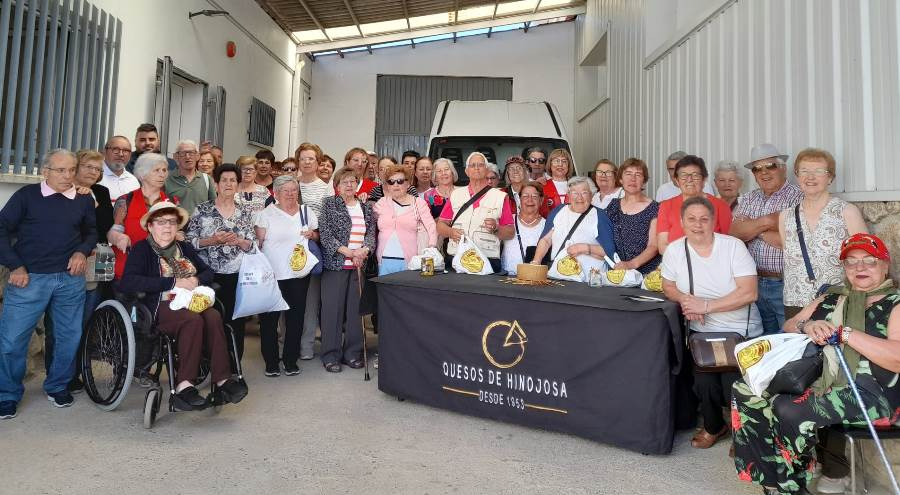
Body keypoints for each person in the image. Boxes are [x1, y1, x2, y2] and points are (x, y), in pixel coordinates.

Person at [733, 233, 900, 495]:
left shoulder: (894, 304)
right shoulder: (831, 297)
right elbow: (790, 325)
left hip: (871, 391)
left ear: (885, 265)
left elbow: (897, 358)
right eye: (851, 261)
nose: (860, 267)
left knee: (788, 408)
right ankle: (770, 480)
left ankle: (792, 486)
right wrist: (808, 325)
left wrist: (846, 334)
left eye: (869, 260)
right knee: (745, 389)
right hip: (821, 378)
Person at [118, 201, 247, 411]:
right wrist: (173, 283)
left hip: (191, 300)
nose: (167, 226)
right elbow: (129, 282)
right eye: (161, 222)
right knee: (192, 320)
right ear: (150, 226)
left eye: (172, 222)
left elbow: (208, 271)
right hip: (160, 305)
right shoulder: (142, 250)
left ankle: (223, 380)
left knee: (213, 316)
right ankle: (184, 385)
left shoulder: (184, 248)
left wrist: (196, 280)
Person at [0, 149, 96, 419]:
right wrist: (15, 265)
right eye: (60, 170)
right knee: (12, 340)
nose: (67, 175)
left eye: (71, 170)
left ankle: (57, 386)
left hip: (70, 280)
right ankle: (7, 394)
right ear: (45, 172)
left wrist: (82, 252)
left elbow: (91, 232)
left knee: (68, 337)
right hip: (29, 279)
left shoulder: (83, 199)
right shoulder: (26, 196)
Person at [660, 196, 762, 449]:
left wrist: (705, 306)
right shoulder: (674, 250)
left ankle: (743, 435)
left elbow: (749, 292)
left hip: (739, 330)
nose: (698, 225)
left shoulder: (733, 247)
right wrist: (687, 301)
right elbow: (668, 286)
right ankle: (714, 426)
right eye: (692, 219)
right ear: (682, 222)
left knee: (732, 385)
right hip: (702, 333)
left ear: (714, 221)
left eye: (704, 219)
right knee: (703, 384)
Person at [780, 147, 868, 318]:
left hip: (838, 301)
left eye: (819, 171)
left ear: (830, 178)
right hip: (795, 302)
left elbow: (866, 259)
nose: (810, 177)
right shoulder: (786, 216)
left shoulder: (846, 212)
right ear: (797, 176)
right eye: (804, 171)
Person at [184, 164, 256, 363]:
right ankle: (209, 364)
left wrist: (239, 241)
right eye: (224, 180)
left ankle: (233, 367)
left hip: (236, 276)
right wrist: (212, 240)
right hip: (208, 275)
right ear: (216, 184)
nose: (228, 184)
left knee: (236, 322)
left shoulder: (244, 213)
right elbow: (189, 242)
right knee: (209, 321)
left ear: (238, 185)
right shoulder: (202, 210)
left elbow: (253, 246)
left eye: (233, 180)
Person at [730, 144, 803, 336]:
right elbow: (735, 233)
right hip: (753, 282)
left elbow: (790, 242)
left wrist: (753, 229)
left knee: (789, 339)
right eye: (757, 169)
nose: (764, 172)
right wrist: (769, 222)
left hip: (785, 284)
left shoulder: (798, 197)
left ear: (783, 168)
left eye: (770, 166)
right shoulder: (748, 198)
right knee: (761, 341)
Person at [254, 176, 317, 377]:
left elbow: (316, 235)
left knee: (295, 318)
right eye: (285, 190)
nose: (290, 194)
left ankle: (290, 360)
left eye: (294, 190)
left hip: (298, 273)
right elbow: (258, 244)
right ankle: (271, 362)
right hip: (271, 275)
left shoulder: (306, 212)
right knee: (269, 320)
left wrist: (313, 235)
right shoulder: (265, 214)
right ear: (276, 193)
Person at [319, 167, 376, 373]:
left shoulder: (366, 207)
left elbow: (371, 234)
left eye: (353, 181)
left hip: (358, 266)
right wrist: (349, 253)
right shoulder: (329, 204)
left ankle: (353, 353)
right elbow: (325, 234)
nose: (349, 185)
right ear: (337, 186)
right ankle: (331, 355)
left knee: (355, 312)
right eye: (345, 182)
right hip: (336, 265)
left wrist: (364, 251)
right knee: (332, 312)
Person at [437, 152, 515, 273]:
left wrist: (496, 228)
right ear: (466, 171)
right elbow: (440, 225)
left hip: (488, 261)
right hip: (456, 258)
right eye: (472, 165)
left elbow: (510, 233)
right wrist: (450, 232)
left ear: (487, 170)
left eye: (480, 165)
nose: (477, 168)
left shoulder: (500, 196)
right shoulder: (456, 194)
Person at [529, 176, 615, 270]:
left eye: (584, 193)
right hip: (558, 275)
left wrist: (586, 248)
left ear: (591, 195)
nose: (579, 197)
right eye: (575, 193)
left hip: (589, 276)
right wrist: (536, 261)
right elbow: (546, 240)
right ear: (569, 195)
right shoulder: (558, 211)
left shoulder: (600, 216)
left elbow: (610, 251)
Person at [295, 143, 332, 360]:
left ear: (318, 162)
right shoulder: (291, 184)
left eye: (311, 158)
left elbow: (327, 220)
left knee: (310, 300)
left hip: (314, 246)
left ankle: (306, 346)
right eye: (303, 158)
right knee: (289, 297)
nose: (307, 162)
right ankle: (288, 342)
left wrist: (315, 235)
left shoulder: (326, 188)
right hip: (290, 248)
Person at [108, 153, 170, 279]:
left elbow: (179, 232)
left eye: (164, 170)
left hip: (161, 271)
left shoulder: (172, 202)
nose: (162, 174)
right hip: (129, 268)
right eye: (156, 170)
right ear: (142, 174)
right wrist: (118, 237)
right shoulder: (125, 200)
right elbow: (113, 231)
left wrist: (179, 235)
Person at [656, 155, 732, 254]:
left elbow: (728, 243)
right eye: (683, 176)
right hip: (676, 261)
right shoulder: (666, 206)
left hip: (711, 260)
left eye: (695, 175)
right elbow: (662, 246)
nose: (689, 180)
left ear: (704, 179)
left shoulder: (720, 206)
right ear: (677, 181)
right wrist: (686, 259)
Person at [373, 164, 437, 276]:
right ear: (387, 186)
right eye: (391, 182)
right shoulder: (381, 203)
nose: (396, 185)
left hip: (411, 261)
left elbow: (431, 227)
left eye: (400, 181)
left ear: (408, 184)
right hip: (384, 260)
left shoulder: (418, 203)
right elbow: (368, 223)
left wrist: (431, 248)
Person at [606, 158, 661, 274]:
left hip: (645, 274)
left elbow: (654, 246)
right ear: (620, 179)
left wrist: (631, 264)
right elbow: (606, 239)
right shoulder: (613, 205)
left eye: (638, 174)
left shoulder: (654, 207)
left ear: (644, 181)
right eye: (628, 174)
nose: (633, 179)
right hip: (617, 271)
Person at [502, 182, 545, 275]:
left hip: (535, 278)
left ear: (541, 200)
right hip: (507, 277)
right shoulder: (508, 220)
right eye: (525, 196)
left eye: (534, 196)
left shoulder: (547, 226)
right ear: (519, 199)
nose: (530, 200)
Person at [165, 139, 216, 215]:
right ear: (176, 157)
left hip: (201, 222)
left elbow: (214, 207)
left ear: (197, 156)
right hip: (175, 222)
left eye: (191, 153)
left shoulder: (206, 179)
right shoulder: (166, 179)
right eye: (183, 153)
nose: (188, 157)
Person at [98, 135, 139, 205]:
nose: (121, 154)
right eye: (115, 149)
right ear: (105, 151)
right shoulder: (94, 176)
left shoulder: (133, 181)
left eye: (125, 150)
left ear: (130, 155)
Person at [539, 149, 575, 217]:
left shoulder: (576, 186)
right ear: (550, 164)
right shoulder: (542, 186)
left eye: (564, 161)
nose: (560, 164)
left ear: (568, 165)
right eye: (556, 161)